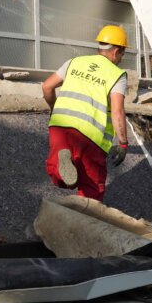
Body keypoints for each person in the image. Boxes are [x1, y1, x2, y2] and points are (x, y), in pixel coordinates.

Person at [42, 24, 131, 202]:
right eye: (122, 54)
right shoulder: (116, 74)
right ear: (116, 51)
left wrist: (55, 109)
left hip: (60, 126)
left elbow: (47, 86)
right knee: (91, 188)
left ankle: (62, 165)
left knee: (59, 174)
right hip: (90, 136)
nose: (121, 58)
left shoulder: (74, 62)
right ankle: (85, 223)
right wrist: (123, 143)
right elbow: (117, 111)